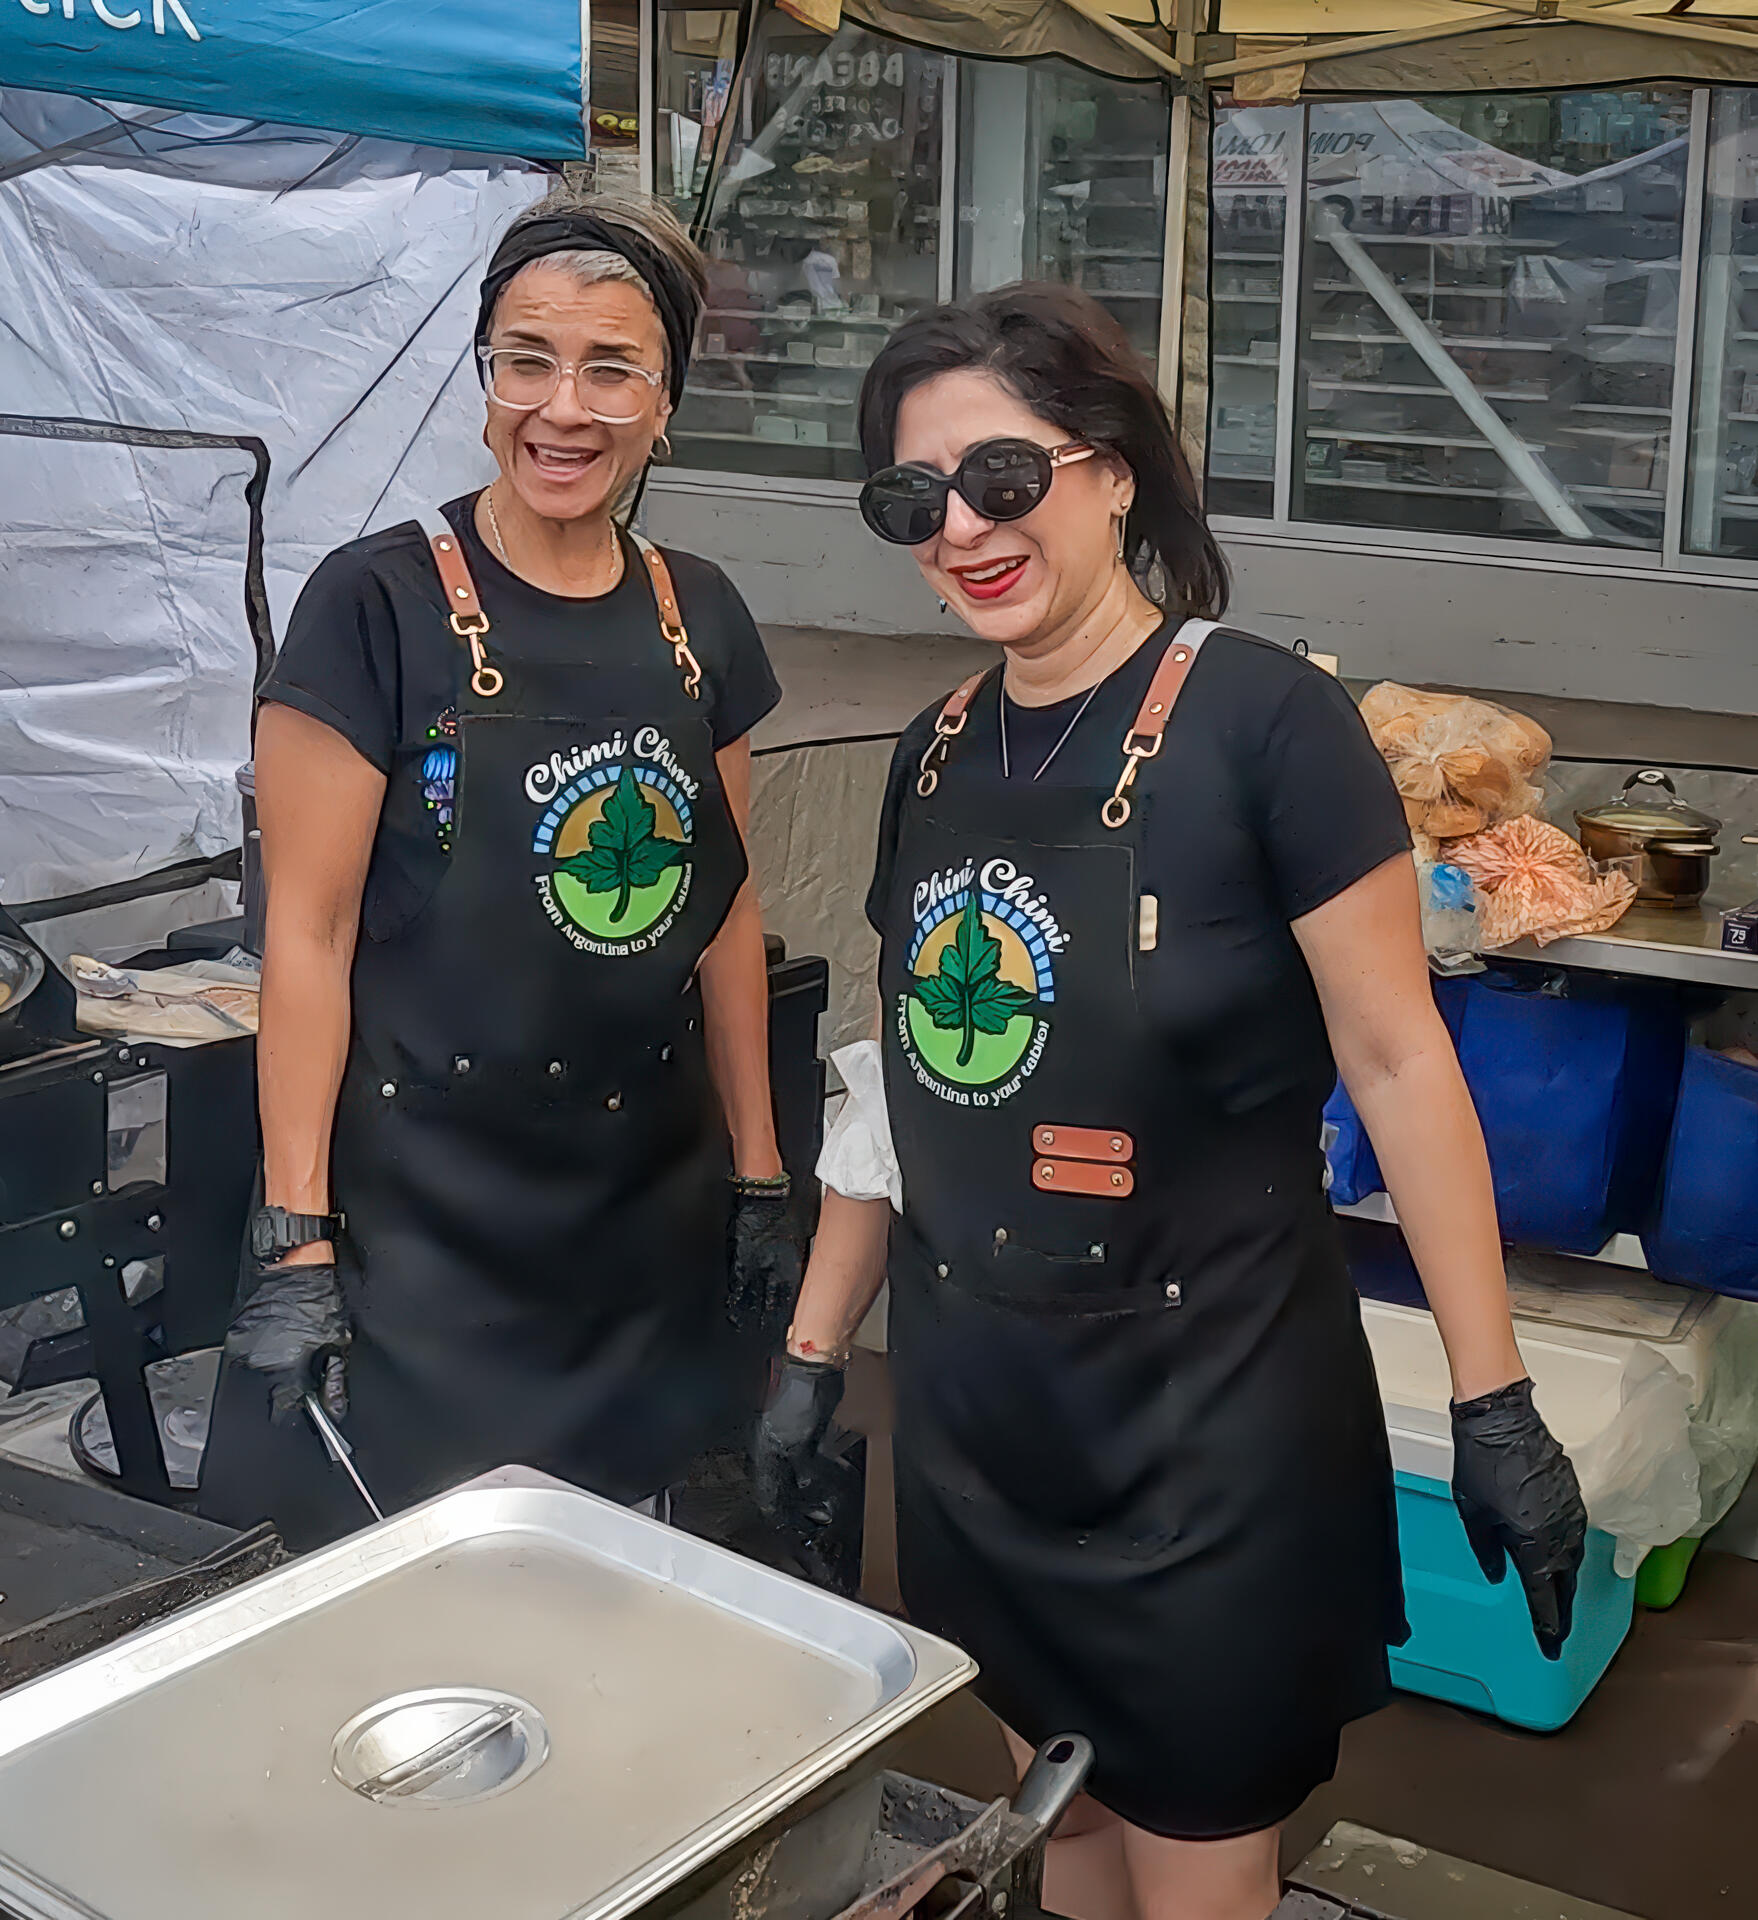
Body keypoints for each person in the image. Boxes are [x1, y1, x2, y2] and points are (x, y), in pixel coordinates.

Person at [758, 285, 1585, 1920]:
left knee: (1198, 1846)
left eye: (1003, 477)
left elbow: (1399, 1060)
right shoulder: (929, 755)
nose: (962, 531)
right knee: (1054, 1826)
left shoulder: (1267, 722)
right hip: (981, 1416)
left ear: (1113, 466)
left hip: (1210, 1420)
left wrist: (1493, 1401)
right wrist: (806, 1358)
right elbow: (896, 1079)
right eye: (912, 501)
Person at [200, 188, 799, 1550]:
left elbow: (726, 915)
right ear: (483, 379)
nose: (561, 408)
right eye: (524, 359)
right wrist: (296, 1235)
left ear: (667, 399)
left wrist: (761, 1176)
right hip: (422, 1216)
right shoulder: (374, 604)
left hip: (639, 1197)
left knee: (615, 1582)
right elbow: (307, 931)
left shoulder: (699, 613)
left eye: (609, 368)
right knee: (410, 1600)